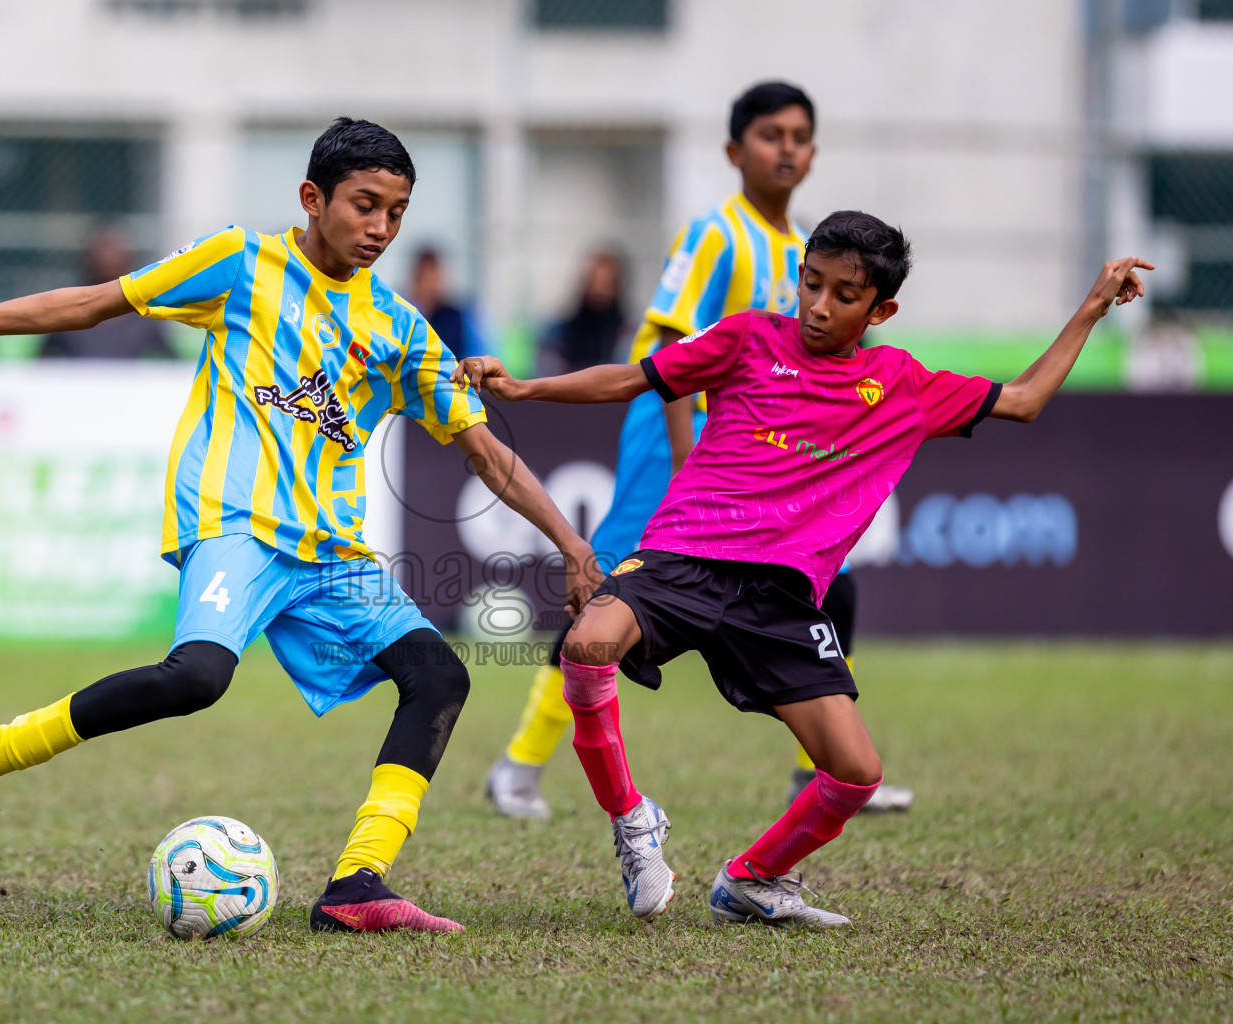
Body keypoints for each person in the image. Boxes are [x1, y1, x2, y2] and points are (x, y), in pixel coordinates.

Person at [0, 118, 600, 934]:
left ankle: (358, 885)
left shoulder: (398, 327)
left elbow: (486, 455)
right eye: (365, 205)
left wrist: (572, 547)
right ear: (312, 199)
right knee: (196, 680)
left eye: (396, 212)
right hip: (235, 524)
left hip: (331, 554)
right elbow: (92, 304)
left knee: (441, 678)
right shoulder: (241, 263)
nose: (381, 229)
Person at [455, 210, 1151, 926]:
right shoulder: (749, 336)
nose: (819, 306)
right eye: (810, 284)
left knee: (856, 773)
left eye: (844, 295)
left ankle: (753, 879)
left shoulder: (901, 384)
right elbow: (633, 378)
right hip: (683, 553)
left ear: (882, 309)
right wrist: (525, 389)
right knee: (586, 646)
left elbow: (1027, 400)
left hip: (779, 597)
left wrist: (1092, 309)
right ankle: (634, 822)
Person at [486, 81, 912, 819]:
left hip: (748, 465)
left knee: (831, 589)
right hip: (676, 450)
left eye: (799, 136)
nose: (786, 148)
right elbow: (666, 345)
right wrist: (687, 463)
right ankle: (517, 765)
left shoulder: (807, 245)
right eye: (770, 134)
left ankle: (813, 769)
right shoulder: (716, 234)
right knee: (603, 593)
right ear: (733, 150)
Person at [42, 228, 173, 359]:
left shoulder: (145, 318)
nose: (107, 257)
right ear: (87, 258)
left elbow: (174, 366)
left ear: (128, 258)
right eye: (102, 251)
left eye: (114, 251)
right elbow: (41, 366)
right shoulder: (68, 313)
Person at [537, 248, 628, 376]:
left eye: (606, 285)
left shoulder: (627, 334)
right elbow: (546, 376)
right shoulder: (559, 332)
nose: (599, 292)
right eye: (594, 283)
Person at [405, 246, 488, 360]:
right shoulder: (404, 315)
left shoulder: (456, 317)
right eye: (426, 278)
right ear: (416, 280)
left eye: (435, 278)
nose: (432, 286)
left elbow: (476, 354)